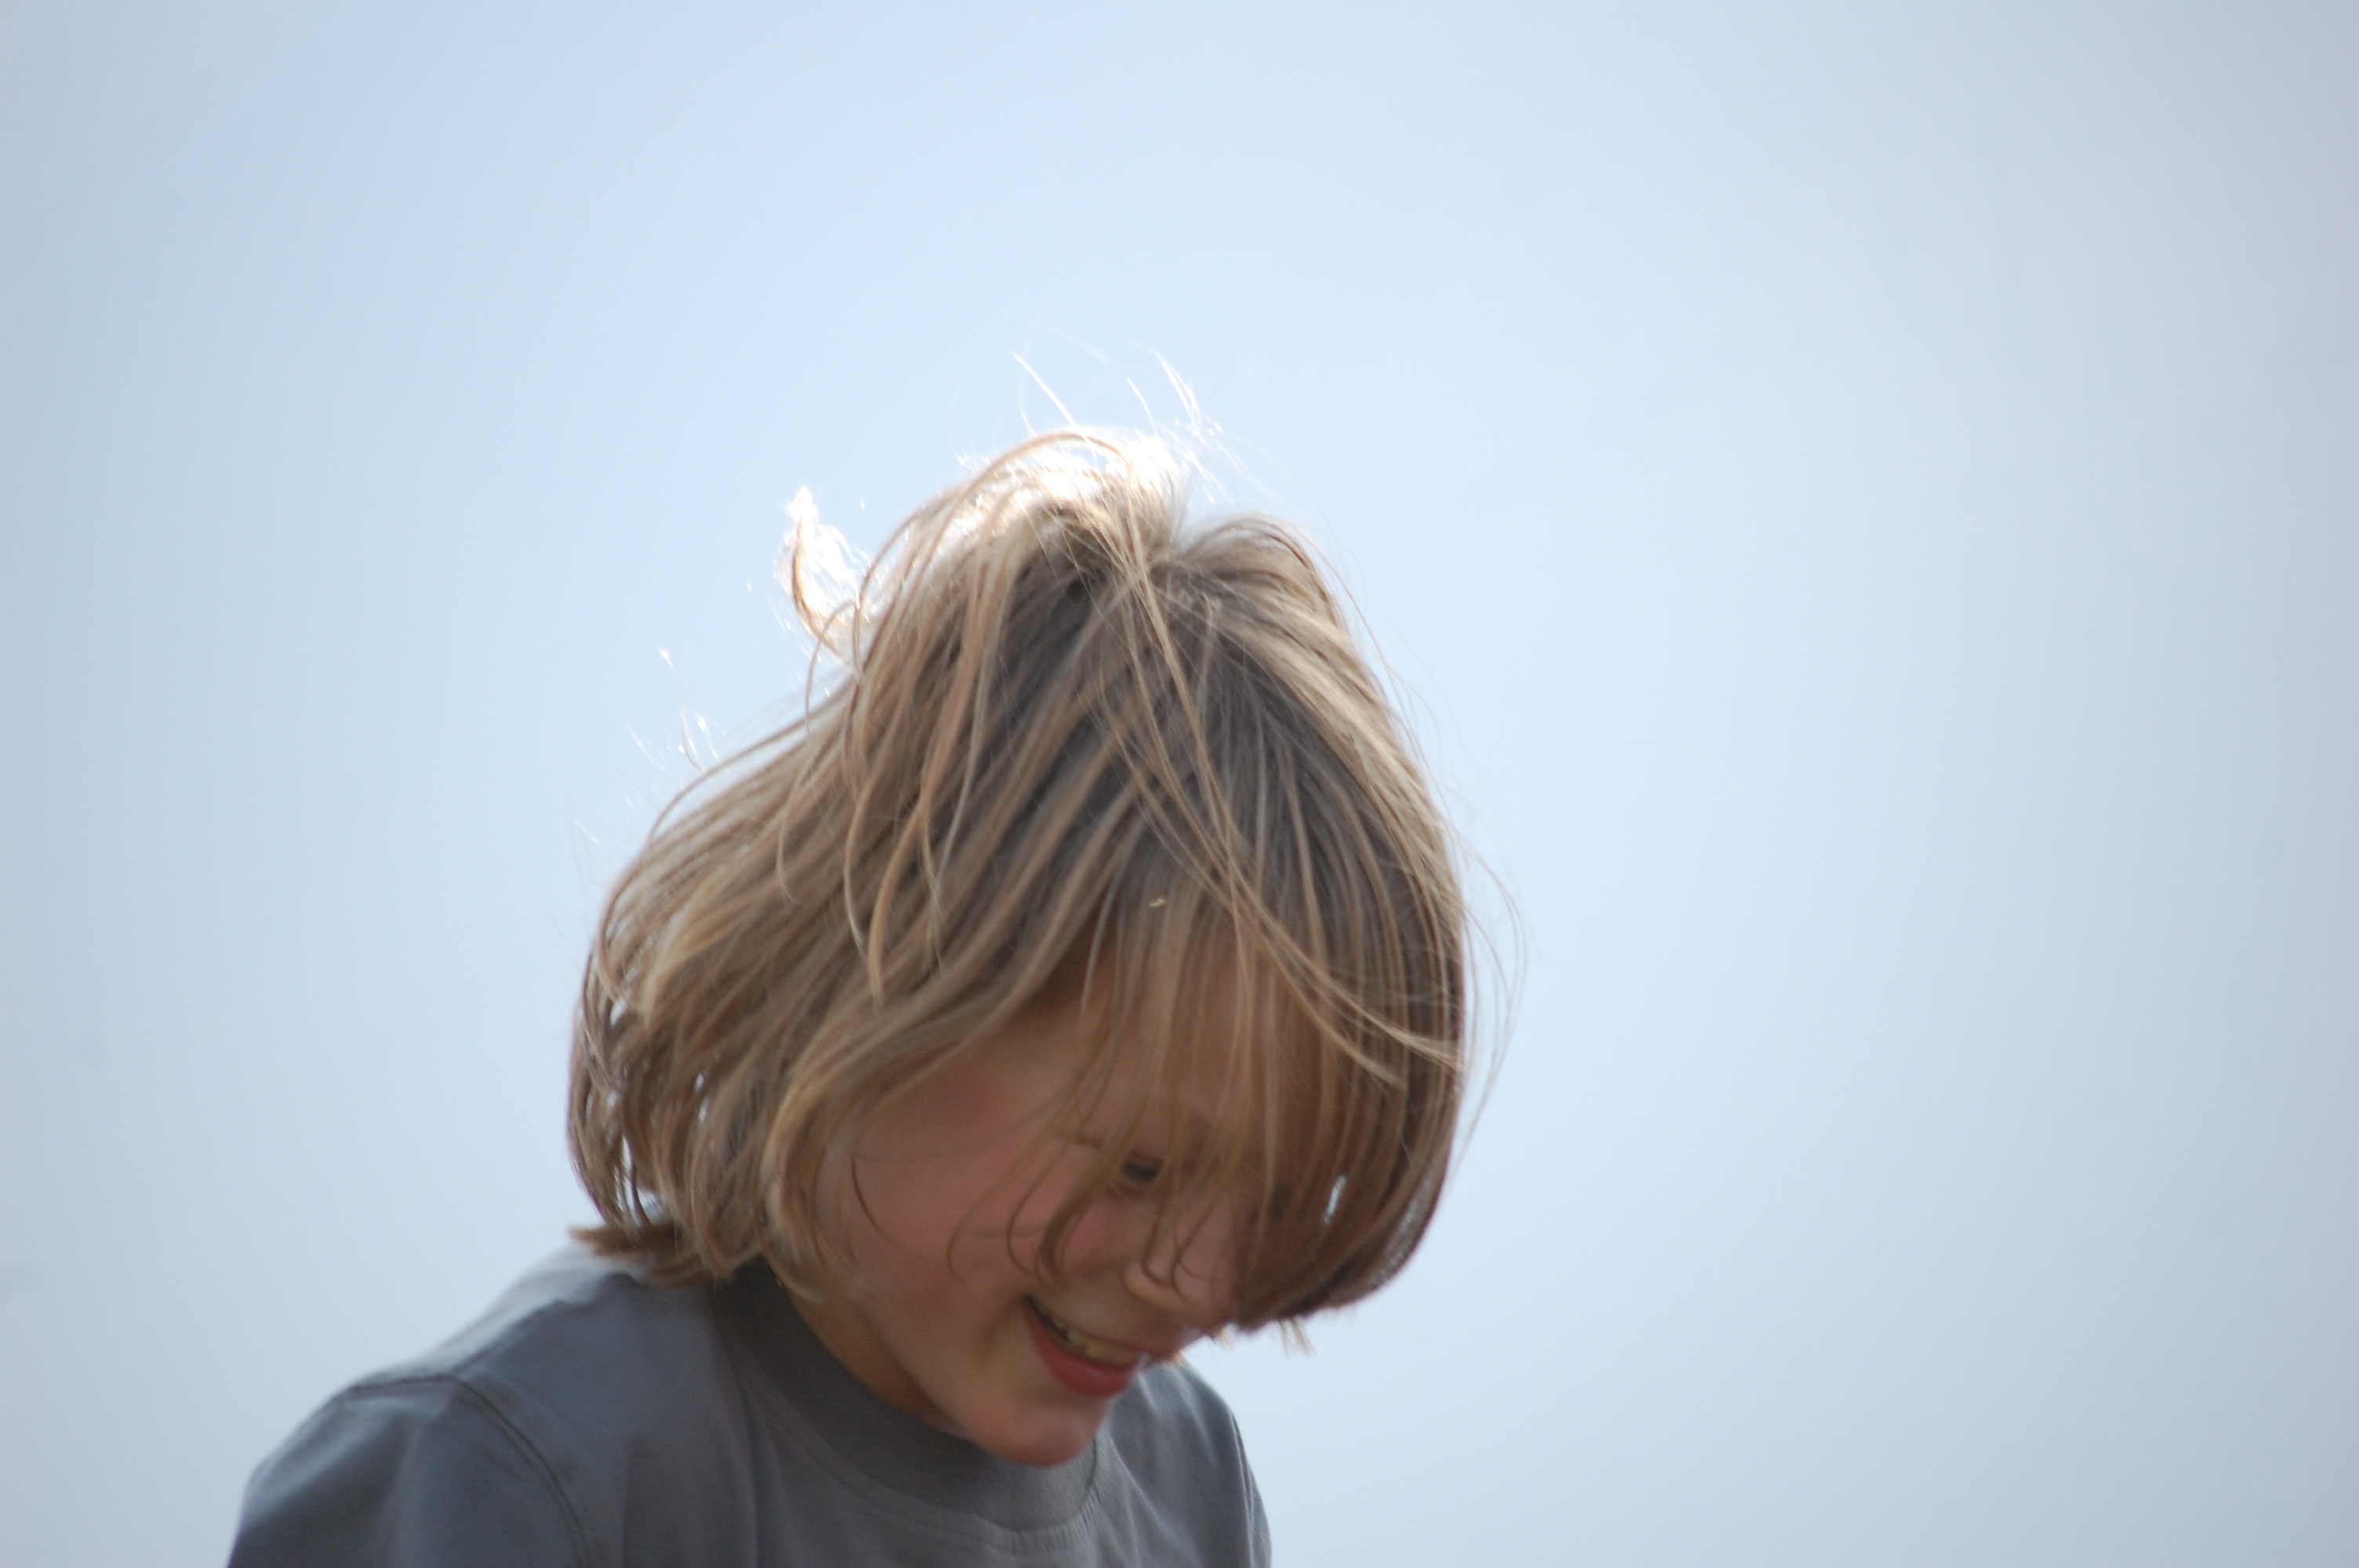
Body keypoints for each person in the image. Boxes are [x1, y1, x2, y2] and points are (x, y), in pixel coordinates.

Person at [227, 428, 1476, 1566]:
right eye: (1141, 1168)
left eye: (1267, 1202)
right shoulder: (523, 1483)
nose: (1199, 1285)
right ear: (885, 985)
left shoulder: (1186, 1492)